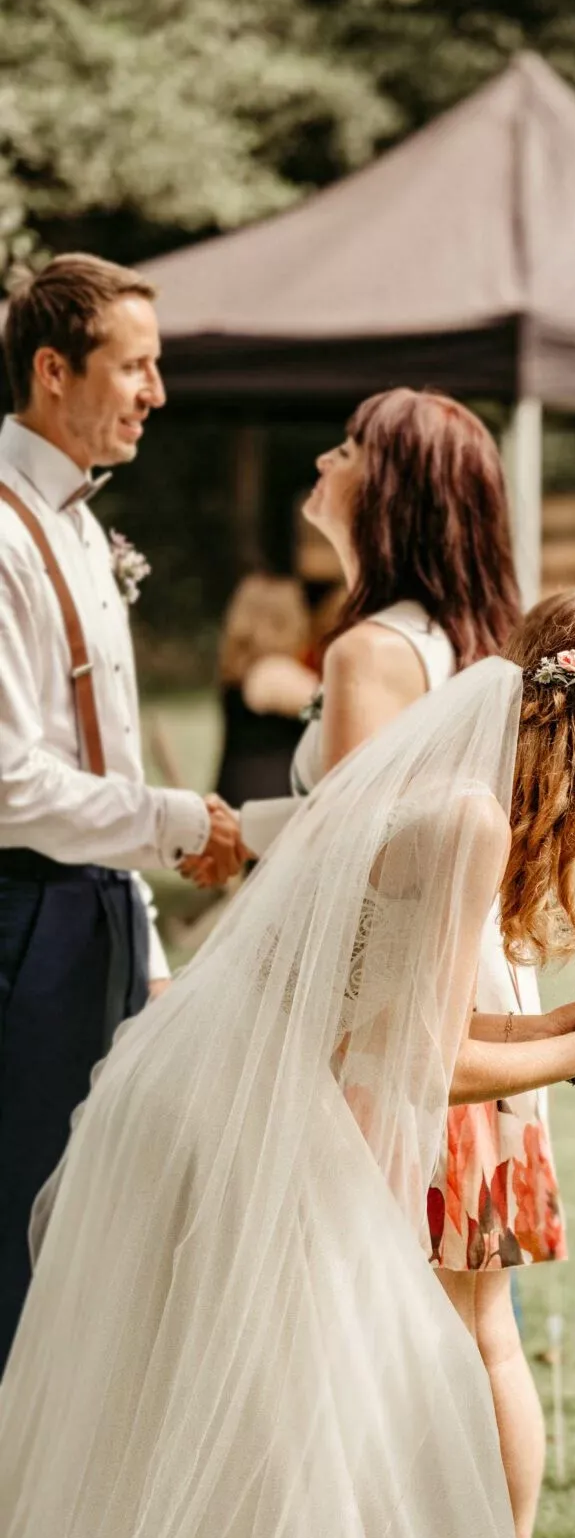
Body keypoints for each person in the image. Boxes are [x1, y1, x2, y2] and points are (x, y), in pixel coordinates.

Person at [0, 586, 575, 1538]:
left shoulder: (465, 800)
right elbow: (415, 1062)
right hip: (235, 1108)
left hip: (235, 1084)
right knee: (340, 1394)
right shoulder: (467, 818)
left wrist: (560, 1021)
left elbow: (409, 1012)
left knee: (293, 1402)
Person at [183, 388, 575, 1538]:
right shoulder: (478, 648)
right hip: (483, 1001)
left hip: (401, 1026)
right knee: (479, 1331)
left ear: (393, 488)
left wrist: (240, 840)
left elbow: (354, 856)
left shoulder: (373, 651)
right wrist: (241, 828)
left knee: (371, 1325)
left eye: (350, 447)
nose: (325, 458)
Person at [0, 254, 240, 1369]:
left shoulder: (85, 531)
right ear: (55, 371)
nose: (157, 392)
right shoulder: (5, 534)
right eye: (135, 366)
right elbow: (9, 781)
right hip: (23, 918)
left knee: (85, 1229)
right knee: (19, 1226)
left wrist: (139, 940)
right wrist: (179, 824)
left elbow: (103, 747)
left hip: (92, 912)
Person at [212, 573, 319, 809]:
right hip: (269, 797)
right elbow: (331, 706)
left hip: (241, 791)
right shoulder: (271, 671)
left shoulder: (242, 673)